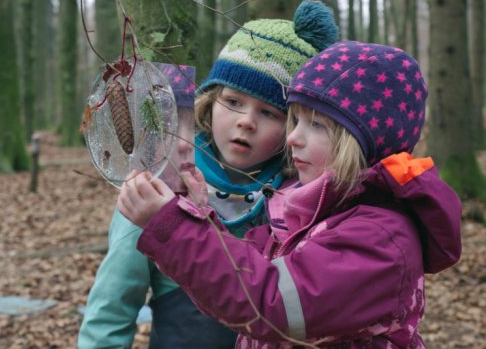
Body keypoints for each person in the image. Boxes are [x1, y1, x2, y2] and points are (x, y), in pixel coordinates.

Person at [117, 41, 462, 348]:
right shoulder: (316, 211)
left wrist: (174, 229)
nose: (293, 138)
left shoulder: (380, 237)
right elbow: (245, 273)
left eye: (316, 125)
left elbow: (268, 304)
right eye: (294, 121)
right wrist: (194, 214)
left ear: (363, 142)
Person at [78, 1, 339, 349]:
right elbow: (112, 307)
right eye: (233, 101)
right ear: (210, 102)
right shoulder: (163, 183)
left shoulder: (303, 200)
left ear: (293, 126)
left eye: (269, 112)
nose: (246, 120)